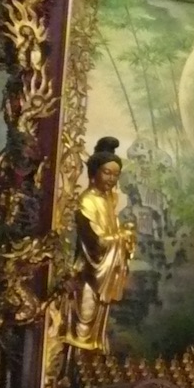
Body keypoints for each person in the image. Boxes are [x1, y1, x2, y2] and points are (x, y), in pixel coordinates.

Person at [62, 137, 136, 354]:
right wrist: (123, 236)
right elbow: (98, 242)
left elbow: (112, 234)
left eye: (116, 175)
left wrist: (125, 235)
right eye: (107, 173)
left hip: (105, 275)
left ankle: (89, 366)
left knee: (97, 335)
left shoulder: (108, 201)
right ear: (94, 173)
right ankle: (70, 369)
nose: (112, 179)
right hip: (88, 274)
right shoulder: (87, 202)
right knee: (81, 330)